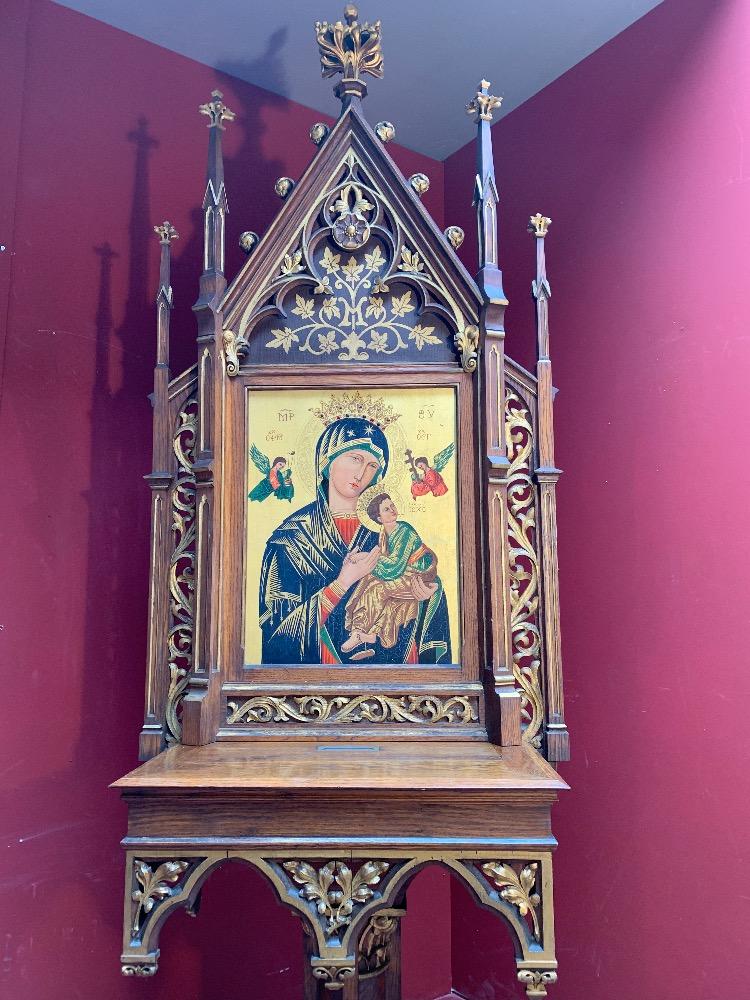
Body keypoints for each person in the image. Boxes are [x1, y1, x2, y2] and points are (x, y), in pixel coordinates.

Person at [258, 415, 451, 664]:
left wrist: (426, 593)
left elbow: (422, 575)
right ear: (327, 461)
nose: (361, 473)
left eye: (372, 465)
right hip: (316, 685)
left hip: (396, 681)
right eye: (355, 458)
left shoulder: (389, 531)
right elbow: (277, 637)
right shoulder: (290, 540)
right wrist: (341, 583)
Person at [341, 493, 440, 655]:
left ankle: (358, 631)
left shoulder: (404, 531)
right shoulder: (384, 534)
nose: (393, 510)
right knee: (370, 579)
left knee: (378, 588)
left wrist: (363, 557)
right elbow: (386, 564)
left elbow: (394, 566)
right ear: (379, 518)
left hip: (419, 576)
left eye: (392, 505)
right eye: (386, 509)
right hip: (404, 574)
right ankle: (369, 633)